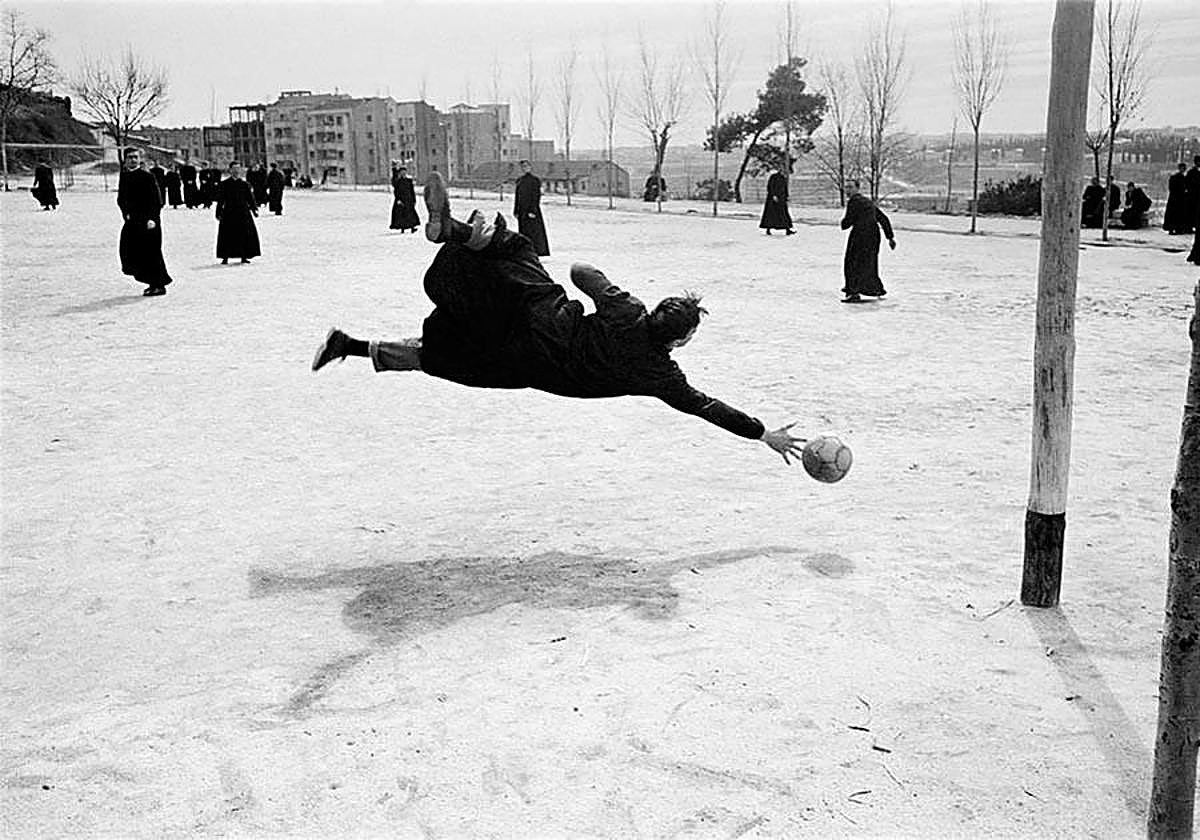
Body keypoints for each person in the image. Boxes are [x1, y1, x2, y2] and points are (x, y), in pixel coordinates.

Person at [311, 172, 807, 463]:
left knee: (517, 252)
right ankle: (356, 338)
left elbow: (580, 271)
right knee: (442, 358)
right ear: (681, 341)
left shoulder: (627, 311)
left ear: (658, 310)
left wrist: (610, 291)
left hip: (540, 313)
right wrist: (762, 433)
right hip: (524, 363)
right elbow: (707, 407)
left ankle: (458, 234)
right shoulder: (660, 374)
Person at [116, 147, 172, 297]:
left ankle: (158, 285)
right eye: (130, 157)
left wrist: (152, 218)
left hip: (148, 222)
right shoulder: (124, 176)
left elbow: (156, 200)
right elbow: (121, 199)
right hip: (133, 221)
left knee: (151, 253)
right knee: (130, 250)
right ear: (125, 160)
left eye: (135, 157)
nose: (133, 160)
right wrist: (126, 213)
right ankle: (149, 281)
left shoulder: (147, 176)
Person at [839, 181, 895, 303]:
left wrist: (843, 223)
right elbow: (883, 218)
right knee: (869, 262)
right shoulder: (867, 201)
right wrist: (890, 237)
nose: (847, 190)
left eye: (850, 187)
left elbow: (848, 221)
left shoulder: (854, 201)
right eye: (846, 187)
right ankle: (875, 289)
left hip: (860, 234)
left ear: (857, 188)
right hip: (873, 235)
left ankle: (853, 292)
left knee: (852, 262)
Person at [214, 160, 261, 264]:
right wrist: (218, 212)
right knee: (227, 235)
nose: (236, 171)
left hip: (243, 212)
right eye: (234, 168)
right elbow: (220, 200)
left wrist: (254, 209)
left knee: (244, 235)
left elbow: (250, 198)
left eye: (238, 168)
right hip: (229, 213)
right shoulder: (225, 184)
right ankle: (225, 257)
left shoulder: (244, 184)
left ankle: (244, 256)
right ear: (230, 170)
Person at [514, 159, 549, 256]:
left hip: (532, 210)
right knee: (524, 231)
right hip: (522, 211)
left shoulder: (535, 180)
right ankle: (525, 250)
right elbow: (517, 197)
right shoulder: (520, 181)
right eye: (522, 167)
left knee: (534, 231)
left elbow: (536, 196)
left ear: (530, 167)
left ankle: (537, 251)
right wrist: (516, 210)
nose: (524, 168)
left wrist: (532, 211)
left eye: (526, 166)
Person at [759, 164, 794, 235]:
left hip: (782, 199)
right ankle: (768, 229)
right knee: (771, 215)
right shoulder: (774, 177)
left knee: (784, 215)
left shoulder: (783, 178)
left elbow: (784, 188)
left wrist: (787, 196)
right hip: (773, 200)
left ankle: (787, 229)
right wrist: (773, 195)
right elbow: (770, 186)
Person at [1163, 162, 1192, 235]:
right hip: (1176, 199)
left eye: (1184, 168)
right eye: (1182, 168)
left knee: (1177, 215)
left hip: (1178, 199)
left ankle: (1177, 229)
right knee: (1175, 215)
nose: (1183, 170)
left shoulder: (1181, 178)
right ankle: (1174, 229)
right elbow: (1172, 188)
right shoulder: (1176, 178)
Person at [389, 163, 419, 232]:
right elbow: (396, 190)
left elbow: (412, 191)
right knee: (401, 215)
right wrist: (394, 169)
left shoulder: (409, 181)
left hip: (409, 200)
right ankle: (402, 228)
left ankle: (412, 227)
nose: (403, 173)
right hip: (401, 200)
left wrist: (414, 199)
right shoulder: (398, 181)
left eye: (404, 172)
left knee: (410, 214)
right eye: (402, 172)